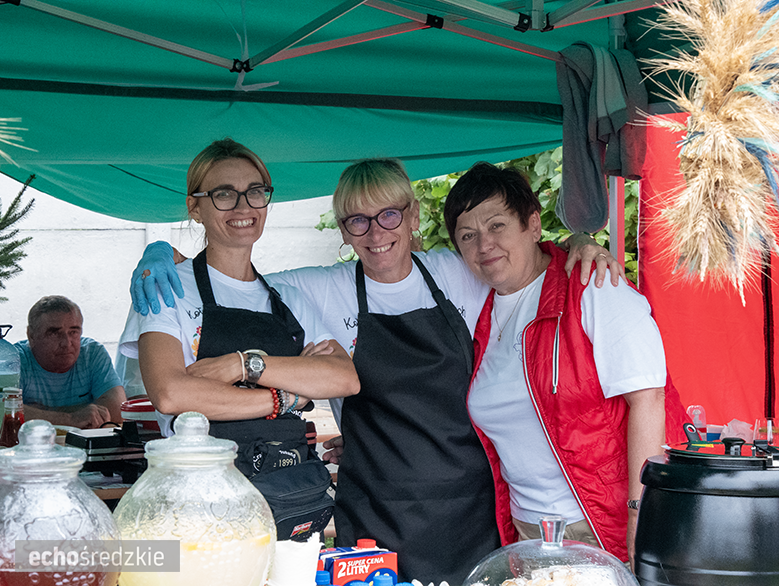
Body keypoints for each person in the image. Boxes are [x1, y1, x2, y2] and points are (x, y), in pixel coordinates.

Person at [130, 158, 621, 584]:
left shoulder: (458, 272)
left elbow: (523, 262)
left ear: (413, 215)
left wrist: (578, 244)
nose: (376, 232)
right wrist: (162, 254)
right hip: (374, 508)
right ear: (344, 231)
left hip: (472, 507)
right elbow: (233, 276)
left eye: (389, 215)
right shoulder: (318, 290)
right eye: (358, 221)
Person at [443, 162, 688, 567]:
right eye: (467, 235)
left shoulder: (593, 285)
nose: (484, 244)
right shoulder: (477, 312)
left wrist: (640, 512)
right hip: (527, 532)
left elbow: (649, 397)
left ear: (532, 225)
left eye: (497, 225)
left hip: (601, 526)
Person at [118, 138, 360, 540]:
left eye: (255, 192)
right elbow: (172, 394)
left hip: (288, 500)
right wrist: (286, 398)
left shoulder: (289, 298)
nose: (243, 206)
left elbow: (343, 377)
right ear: (195, 207)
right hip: (199, 508)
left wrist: (243, 364)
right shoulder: (166, 287)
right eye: (224, 194)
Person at [17, 295, 126, 428]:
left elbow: (118, 409)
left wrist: (35, 412)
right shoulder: (14, 360)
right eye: (54, 333)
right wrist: (72, 418)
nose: (66, 343)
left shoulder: (91, 353)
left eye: (73, 332)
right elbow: (4, 414)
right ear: (31, 335)